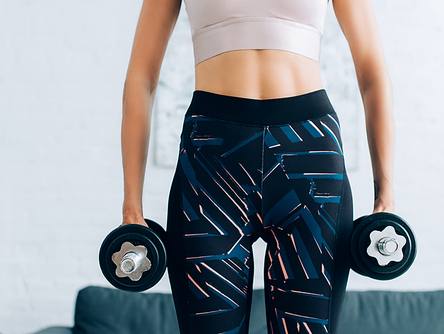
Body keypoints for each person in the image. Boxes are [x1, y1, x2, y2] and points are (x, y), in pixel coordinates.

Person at [120, 0, 395, 332]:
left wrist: (386, 195)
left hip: (309, 160)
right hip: (213, 164)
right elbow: (141, 77)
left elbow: (371, 72)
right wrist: (131, 206)